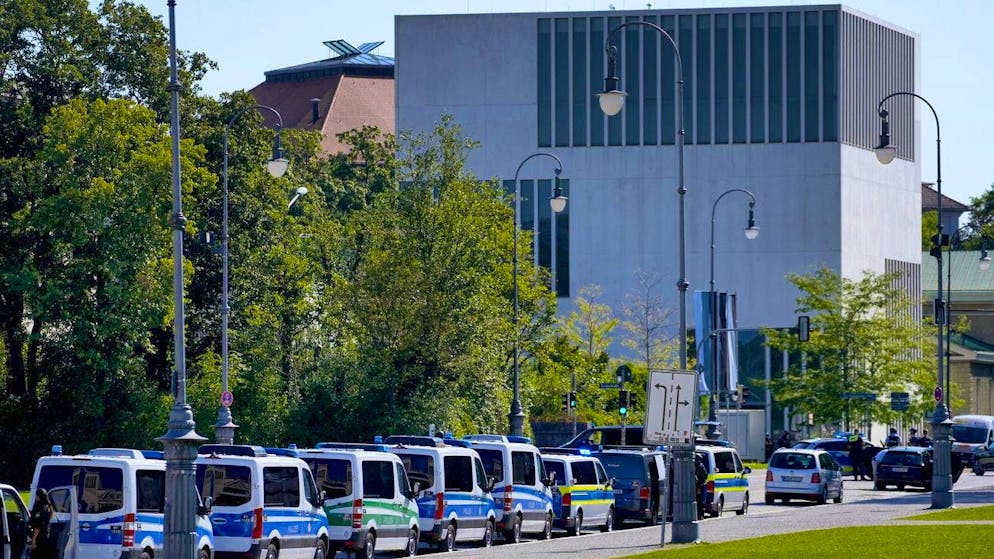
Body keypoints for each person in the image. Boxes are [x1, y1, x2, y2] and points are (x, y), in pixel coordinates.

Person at [29, 488, 55, 559]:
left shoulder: (40, 508)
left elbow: (38, 526)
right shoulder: (48, 506)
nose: (36, 497)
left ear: (40, 496)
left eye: (37, 496)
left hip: (39, 538)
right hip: (45, 536)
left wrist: (33, 540)